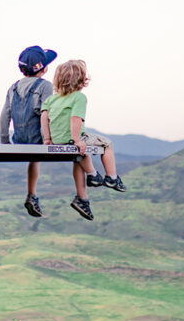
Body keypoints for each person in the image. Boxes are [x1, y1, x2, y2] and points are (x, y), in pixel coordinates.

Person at [40, 59, 125, 221]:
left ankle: (83, 195)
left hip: (56, 140)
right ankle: (112, 178)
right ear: (81, 80)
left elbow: (44, 118)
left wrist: (48, 139)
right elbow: (75, 118)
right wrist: (77, 140)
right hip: (73, 138)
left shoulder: (51, 99)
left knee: (78, 158)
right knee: (107, 144)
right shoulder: (79, 97)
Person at [0, 45, 57, 217]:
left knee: (34, 159)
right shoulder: (45, 86)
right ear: (44, 69)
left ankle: (32, 194)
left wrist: (4, 141)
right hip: (39, 138)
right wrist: (49, 139)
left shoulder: (13, 87)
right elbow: (48, 114)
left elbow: (4, 115)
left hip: (20, 139)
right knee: (76, 147)